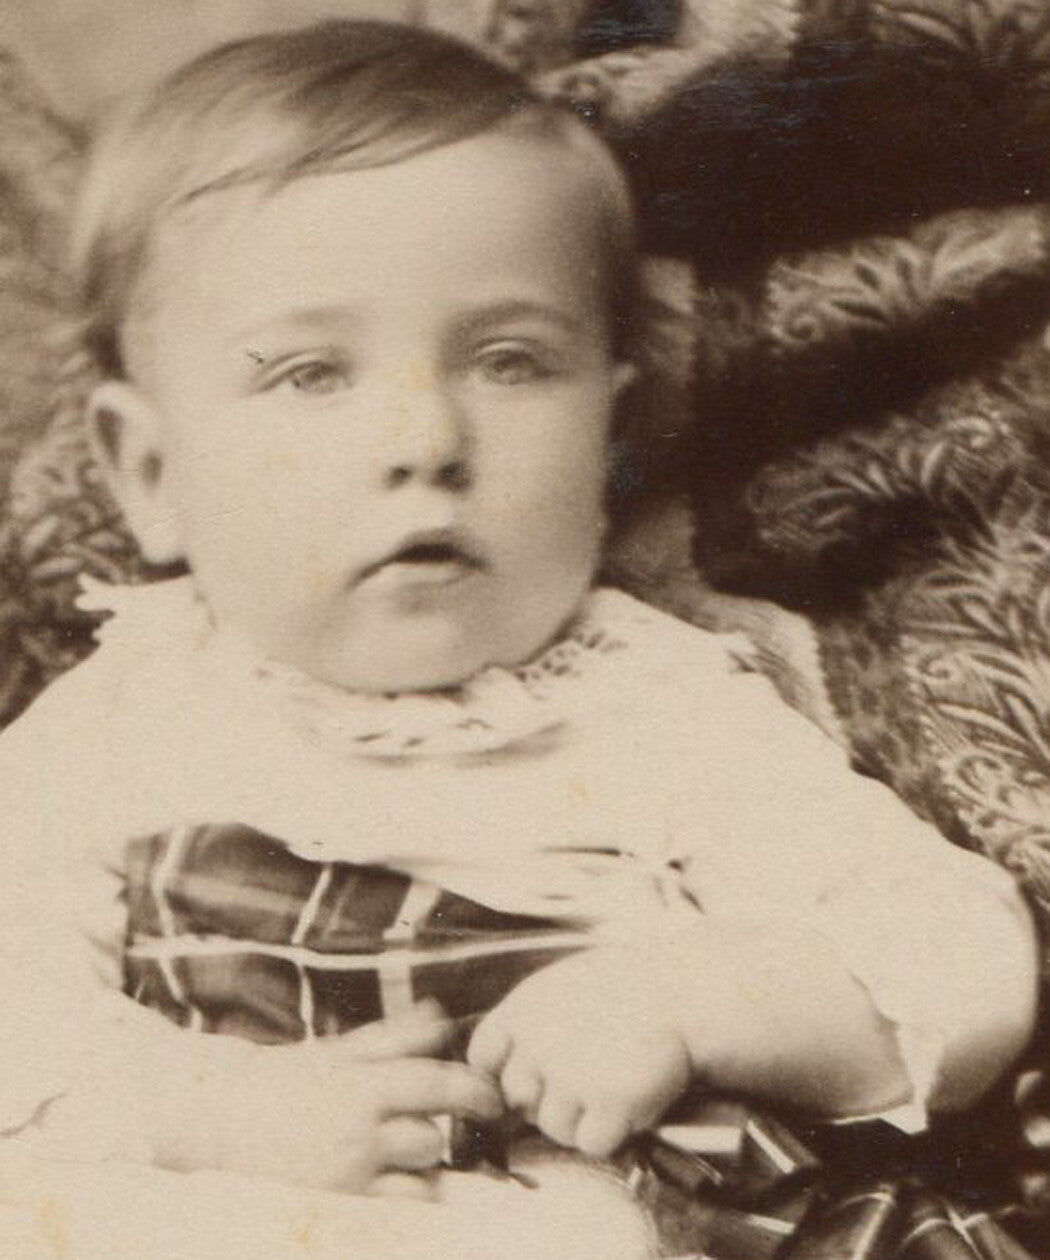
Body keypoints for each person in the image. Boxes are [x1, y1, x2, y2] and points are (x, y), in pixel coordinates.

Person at [0, 17, 1037, 1215]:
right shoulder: (121, 726)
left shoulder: (656, 703)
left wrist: (694, 1001)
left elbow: (962, 962)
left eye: (509, 362)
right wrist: (205, 1109)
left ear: (611, 437)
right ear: (149, 472)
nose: (425, 441)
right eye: (310, 373)